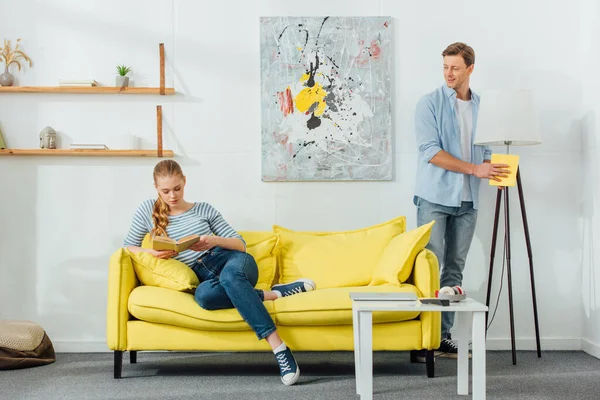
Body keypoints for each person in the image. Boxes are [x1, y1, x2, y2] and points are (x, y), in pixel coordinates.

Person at [123, 160, 316, 385]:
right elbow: (127, 246)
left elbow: (241, 245)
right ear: (156, 188)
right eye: (165, 191)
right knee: (204, 297)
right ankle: (274, 293)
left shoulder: (204, 208)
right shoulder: (147, 210)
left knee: (230, 277)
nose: (172, 196)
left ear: (184, 182)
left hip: (232, 261)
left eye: (177, 188)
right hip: (204, 276)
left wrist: (212, 240)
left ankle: (279, 349)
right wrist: (151, 252)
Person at [414, 42, 510, 357]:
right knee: (429, 266)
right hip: (435, 198)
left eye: (455, 67)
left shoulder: (484, 106)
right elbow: (430, 152)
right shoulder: (428, 104)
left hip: (469, 202)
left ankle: (442, 338)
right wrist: (474, 169)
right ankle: (420, 338)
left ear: (470, 68)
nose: (449, 73)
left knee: (454, 270)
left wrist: (497, 172)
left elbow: (484, 152)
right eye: (445, 67)